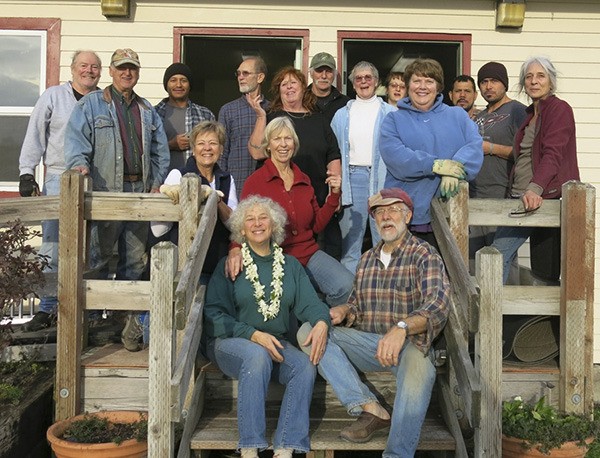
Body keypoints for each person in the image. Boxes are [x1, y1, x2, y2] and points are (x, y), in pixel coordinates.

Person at [297, 188, 450, 458]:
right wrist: (344, 310)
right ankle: (369, 406)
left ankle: (397, 454)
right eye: (380, 212)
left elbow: (436, 305)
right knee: (309, 331)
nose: (386, 217)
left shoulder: (425, 255)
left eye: (393, 210)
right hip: (370, 345)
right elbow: (357, 305)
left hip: (410, 346)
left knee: (419, 368)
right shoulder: (367, 259)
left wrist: (401, 328)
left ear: (408, 215)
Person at [204, 195, 331, 458]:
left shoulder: (291, 266)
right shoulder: (231, 264)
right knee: (256, 354)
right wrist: (251, 334)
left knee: (303, 366)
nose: (257, 223)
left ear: (274, 225)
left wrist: (321, 322)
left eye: (263, 218)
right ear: (242, 229)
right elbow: (213, 314)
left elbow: (310, 304)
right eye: (250, 219)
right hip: (230, 342)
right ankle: (250, 446)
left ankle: (287, 444)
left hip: (274, 342)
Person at [64, 48, 170, 351]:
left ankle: (127, 324)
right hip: (104, 194)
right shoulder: (91, 104)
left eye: (132, 69)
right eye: (122, 68)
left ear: (137, 73)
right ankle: (93, 324)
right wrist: (80, 168)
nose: (127, 73)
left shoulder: (147, 110)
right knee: (97, 258)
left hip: (139, 194)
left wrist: (156, 184)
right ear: (111, 71)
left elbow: (160, 152)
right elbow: (75, 144)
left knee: (135, 261)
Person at [229, 116, 354, 308]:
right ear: (268, 145)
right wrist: (235, 249)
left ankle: (328, 326)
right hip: (275, 258)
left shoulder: (303, 179)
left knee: (347, 286)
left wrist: (334, 196)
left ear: (294, 144)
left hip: (309, 254)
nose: (283, 144)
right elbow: (241, 224)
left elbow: (316, 226)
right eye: (277, 139)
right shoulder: (256, 181)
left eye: (288, 139)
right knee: (289, 303)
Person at [19, 50, 102, 332]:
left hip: (93, 180)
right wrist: (26, 172)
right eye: (83, 65)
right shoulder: (53, 96)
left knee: (91, 248)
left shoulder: (102, 100)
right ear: (72, 68)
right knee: (54, 246)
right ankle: (47, 309)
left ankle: (88, 312)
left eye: (94, 67)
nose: (89, 71)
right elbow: (35, 134)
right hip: (58, 177)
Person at [491, 56, 579, 284]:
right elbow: (524, 155)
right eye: (528, 76)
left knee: (503, 257)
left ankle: (493, 317)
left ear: (551, 81)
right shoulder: (530, 114)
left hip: (542, 197)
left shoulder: (559, 109)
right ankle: (497, 315)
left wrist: (534, 189)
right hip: (520, 195)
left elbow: (553, 153)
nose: (534, 81)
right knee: (502, 257)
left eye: (540, 75)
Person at [379, 58, 483, 249]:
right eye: (416, 81)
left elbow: (474, 146)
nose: (422, 87)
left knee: (448, 274)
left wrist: (455, 169)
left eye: (429, 81)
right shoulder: (393, 120)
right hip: (407, 215)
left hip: (449, 212)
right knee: (404, 275)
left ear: (439, 87)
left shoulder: (457, 115)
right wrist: (435, 165)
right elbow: (396, 156)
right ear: (408, 86)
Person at [247, 66, 342, 258]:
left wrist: (336, 192)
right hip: (281, 201)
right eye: (284, 84)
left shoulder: (318, 119)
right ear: (279, 90)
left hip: (317, 197)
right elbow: (257, 153)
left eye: (293, 83)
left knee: (319, 250)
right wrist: (260, 115)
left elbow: (333, 154)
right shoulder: (272, 116)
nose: (289, 87)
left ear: (302, 88)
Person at [152, 120, 238, 283]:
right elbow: (158, 230)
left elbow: (235, 224)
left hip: (217, 264)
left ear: (221, 149)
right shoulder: (178, 175)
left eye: (213, 143)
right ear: (193, 149)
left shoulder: (227, 179)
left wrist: (215, 200)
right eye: (201, 143)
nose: (207, 148)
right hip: (183, 267)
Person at [330, 61, 396, 273]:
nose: (364, 81)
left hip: (383, 178)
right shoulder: (342, 114)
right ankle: (350, 297)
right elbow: (332, 152)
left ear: (376, 82)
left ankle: (385, 292)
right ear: (353, 83)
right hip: (352, 179)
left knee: (385, 240)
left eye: (368, 77)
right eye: (359, 78)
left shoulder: (391, 112)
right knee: (351, 244)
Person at [469, 62, 527, 260]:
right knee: (474, 260)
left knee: (501, 259)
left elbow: (526, 152)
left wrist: (491, 149)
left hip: (501, 194)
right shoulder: (481, 115)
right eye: (484, 82)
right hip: (474, 195)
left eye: (494, 81)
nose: (488, 86)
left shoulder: (518, 111)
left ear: (505, 84)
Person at [218, 56, 269, 196]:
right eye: (238, 73)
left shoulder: (273, 109)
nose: (240, 77)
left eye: (246, 73)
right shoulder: (228, 110)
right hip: (236, 185)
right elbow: (222, 152)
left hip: (266, 184)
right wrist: (221, 186)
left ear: (260, 77)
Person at [155, 62, 215, 169]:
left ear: (189, 85)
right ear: (166, 84)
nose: (178, 85)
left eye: (183, 80)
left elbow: (215, 148)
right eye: (173, 80)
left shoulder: (205, 115)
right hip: (162, 181)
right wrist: (170, 145)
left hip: (196, 180)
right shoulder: (153, 114)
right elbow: (144, 150)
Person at [308, 52, 350, 122]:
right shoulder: (300, 101)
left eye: (328, 71)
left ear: (334, 74)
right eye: (319, 71)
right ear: (311, 73)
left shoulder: (345, 104)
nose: (324, 76)